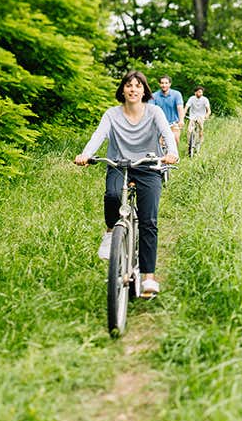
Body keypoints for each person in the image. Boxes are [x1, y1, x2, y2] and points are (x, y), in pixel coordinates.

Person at [74, 70, 179, 298]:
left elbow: (167, 135)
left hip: (149, 165)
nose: (133, 89)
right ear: (122, 90)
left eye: (138, 86)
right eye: (129, 85)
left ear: (144, 90)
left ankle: (148, 278)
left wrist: (172, 152)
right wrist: (85, 154)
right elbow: (98, 135)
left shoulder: (154, 111)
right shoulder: (112, 114)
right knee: (112, 196)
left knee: (149, 220)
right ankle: (112, 232)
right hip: (119, 164)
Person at [152, 75, 184, 150]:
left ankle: (173, 158)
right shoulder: (154, 96)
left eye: (166, 83)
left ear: (170, 84)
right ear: (159, 84)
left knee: (175, 139)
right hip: (159, 123)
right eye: (162, 83)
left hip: (173, 122)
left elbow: (180, 108)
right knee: (159, 144)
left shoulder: (176, 94)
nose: (164, 85)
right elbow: (151, 111)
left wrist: (181, 120)